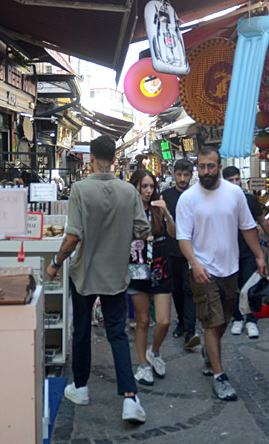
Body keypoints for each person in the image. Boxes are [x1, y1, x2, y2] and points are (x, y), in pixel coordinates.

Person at [46, 135, 150, 424]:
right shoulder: (128, 192)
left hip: (84, 273)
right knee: (117, 333)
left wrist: (54, 264)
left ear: (90, 157)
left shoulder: (80, 189)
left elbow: (72, 237)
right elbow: (142, 231)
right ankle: (130, 397)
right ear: (114, 158)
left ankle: (80, 387)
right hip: (115, 273)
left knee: (81, 331)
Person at [176, 146, 267, 401]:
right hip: (203, 270)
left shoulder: (234, 193)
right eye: (202, 167)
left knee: (224, 320)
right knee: (212, 322)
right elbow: (183, 237)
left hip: (231, 269)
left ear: (218, 166)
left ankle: (209, 350)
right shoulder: (188, 198)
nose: (206, 171)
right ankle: (219, 376)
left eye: (210, 166)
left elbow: (247, 227)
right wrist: (194, 264)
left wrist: (259, 255)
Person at [127, 169, 175, 386]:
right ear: (135, 187)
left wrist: (166, 213)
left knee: (164, 321)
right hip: (137, 271)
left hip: (160, 269)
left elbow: (174, 234)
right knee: (143, 321)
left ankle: (154, 352)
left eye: (151, 186)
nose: (148, 191)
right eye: (144, 186)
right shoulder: (128, 210)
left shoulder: (159, 209)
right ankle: (142, 364)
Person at [222, 166, 269, 339]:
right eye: (231, 180)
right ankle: (237, 318)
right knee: (234, 288)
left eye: (237, 179)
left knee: (251, 286)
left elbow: (262, 221)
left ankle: (252, 320)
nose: (235, 183)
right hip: (229, 252)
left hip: (249, 251)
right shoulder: (220, 201)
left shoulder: (250, 200)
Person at [161, 159, 200, 350]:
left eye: (186, 175)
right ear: (174, 174)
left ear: (191, 175)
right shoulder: (166, 196)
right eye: (179, 175)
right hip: (171, 250)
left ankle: (190, 330)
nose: (183, 178)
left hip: (192, 250)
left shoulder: (197, 196)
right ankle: (182, 322)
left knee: (189, 289)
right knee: (176, 289)